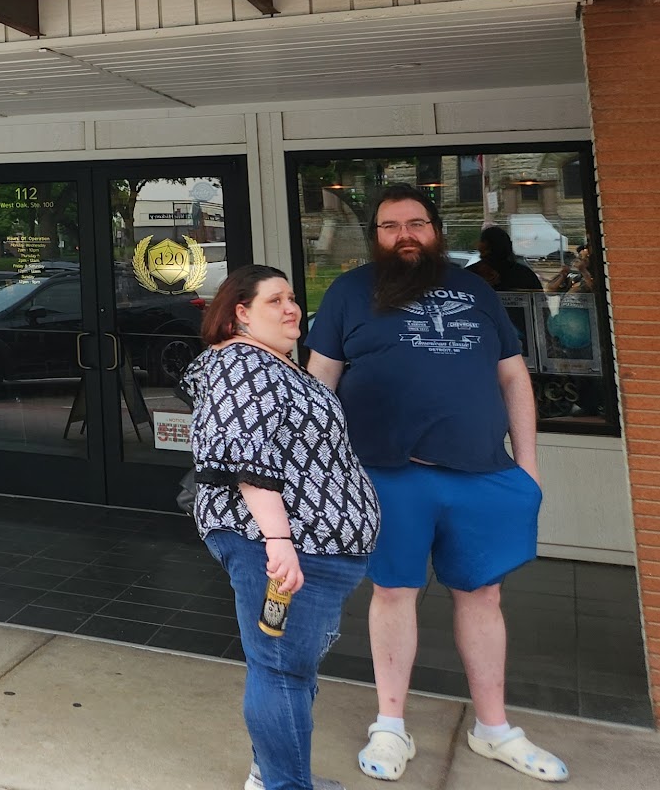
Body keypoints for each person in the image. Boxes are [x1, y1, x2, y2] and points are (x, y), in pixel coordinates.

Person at [307, 187, 566, 784]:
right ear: (375, 236)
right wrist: (322, 472)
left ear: (435, 230)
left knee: (483, 596)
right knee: (393, 592)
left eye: (416, 223)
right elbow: (319, 386)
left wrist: (528, 466)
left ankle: (494, 728)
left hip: (481, 472)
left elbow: (513, 378)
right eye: (390, 225)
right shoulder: (348, 292)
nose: (405, 234)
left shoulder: (476, 289)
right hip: (386, 474)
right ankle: (390, 726)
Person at [183, 264, 380, 790]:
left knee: (290, 670)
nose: (291, 308)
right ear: (240, 313)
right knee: (281, 671)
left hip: (312, 548)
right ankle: (284, 785)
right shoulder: (241, 363)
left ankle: (268, 775)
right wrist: (279, 542)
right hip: (277, 548)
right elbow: (243, 458)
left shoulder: (274, 364)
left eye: (292, 298)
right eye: (275, 300)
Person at [471, 226, 542, 292]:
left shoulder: (471, 274)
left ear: (484, 247)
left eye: (481, 241)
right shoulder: (525, 274)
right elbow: (539, 299)